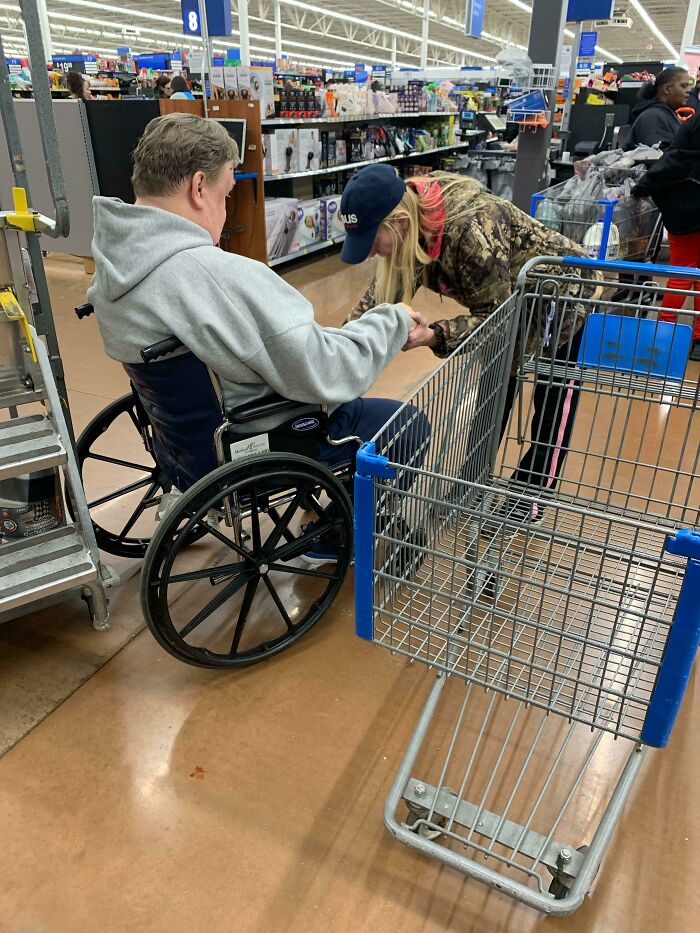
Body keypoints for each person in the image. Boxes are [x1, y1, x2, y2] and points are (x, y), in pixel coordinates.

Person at [88, 114, 428, 561]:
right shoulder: (215, 276)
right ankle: (337, 534)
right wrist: (394, 320)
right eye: (227, 194)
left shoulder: (112, 269)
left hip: (186, 444)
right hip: (262, 437)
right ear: (197, 187)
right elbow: (328, 371)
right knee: (408, 425)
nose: (226, 211)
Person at [340, 165, 600, 518]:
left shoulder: (471, 231)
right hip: (508, 298)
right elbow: (375, 300)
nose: (370, 253)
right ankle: (473, 483)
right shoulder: (413, 223)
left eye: (372, 241)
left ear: (399, 223)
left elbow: (497, 320)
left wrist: (434, 334)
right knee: (494, 389)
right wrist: (335, 350)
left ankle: (533, 493)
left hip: (560, 297)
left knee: (553, 397)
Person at [634, 114, 700, 361]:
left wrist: (641, 188)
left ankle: (665, 331)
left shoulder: (690, 134)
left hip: (685, 214)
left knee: (682, 274)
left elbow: (670, 165)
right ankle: (698, 339)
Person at [623, 66, 691, 151]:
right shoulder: (654, 117)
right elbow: (660, 158)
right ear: (667, 89)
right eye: (684, 86)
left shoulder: (666, 114)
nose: (689, 90)